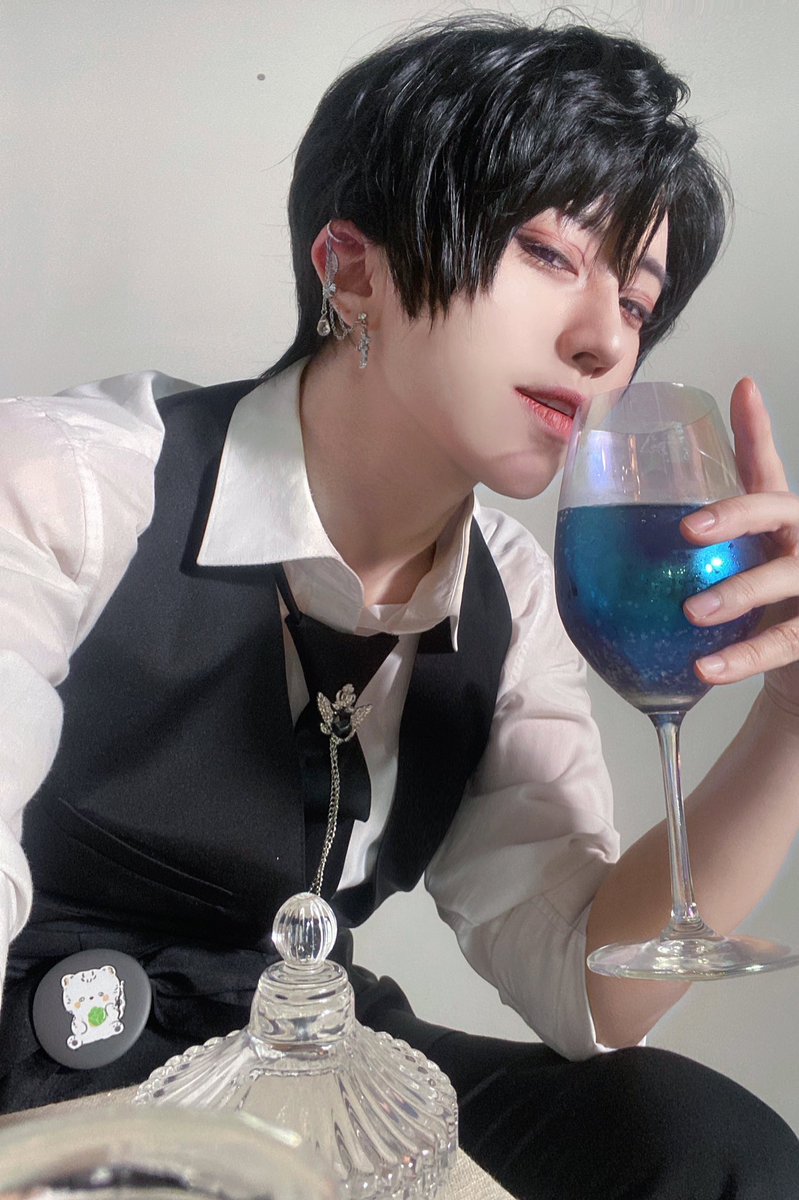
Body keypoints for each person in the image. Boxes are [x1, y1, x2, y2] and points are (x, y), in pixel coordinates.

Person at [2, 13, 798, 1197]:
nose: (601, 342)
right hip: (64, 1064)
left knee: (699, 1144)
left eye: (635, 301)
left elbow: (589, 990)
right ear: (350, 270)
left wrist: (789, 714)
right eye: (547, 252)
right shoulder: (73, 483)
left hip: (317, 1052)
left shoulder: (510, 596)